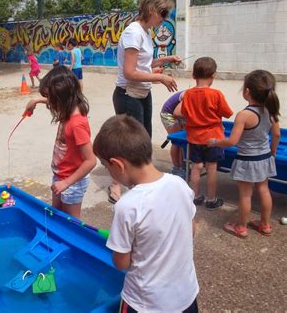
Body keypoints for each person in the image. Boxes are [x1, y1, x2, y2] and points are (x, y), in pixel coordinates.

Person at [93, 115, 199, 312]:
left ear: (117, 164)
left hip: (146, 304)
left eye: (107, 167)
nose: (109, 172)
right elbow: (191, 229)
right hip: (186, 296)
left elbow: (121, 262)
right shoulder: (179, 184)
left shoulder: (127, 206)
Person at [109, 0, 181, 203]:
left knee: (143, 139)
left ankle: (139, 180)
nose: (165, 18)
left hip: (141, 92)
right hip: (127, 94)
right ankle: (117, 182)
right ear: (152, 9)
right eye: (164, 13)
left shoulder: (145, 32)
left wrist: (167, 60)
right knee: (129, 141)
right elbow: (129, 72)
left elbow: (144, 64)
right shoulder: (134, 32)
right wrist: (161, 79)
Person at [207, 70, 280, 238]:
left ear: (247, 92)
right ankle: (265, 225)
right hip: (265, 157)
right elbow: (276, 135)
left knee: (245, 194)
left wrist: (215, 142)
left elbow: (232, 141)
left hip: (247, 160)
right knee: (264, 190)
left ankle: (241, 227)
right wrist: (272, 152)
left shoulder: (244, 115)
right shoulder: (271, 111)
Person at [24, 66, 96, 218]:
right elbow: (58, 100)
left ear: (61, 99)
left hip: (72, 181)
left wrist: (66, 183)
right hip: (61, 175)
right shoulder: (68, 108)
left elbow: (91, 161)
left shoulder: (76, 124)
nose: (49, 103)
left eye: (51, 98)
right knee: (55, 215)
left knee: (70, 224)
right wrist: (36, 100)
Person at [182, 57, 233, 210]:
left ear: (193, 76)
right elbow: (228, 113)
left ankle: (196, 197)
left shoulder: (188, 94)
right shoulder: (216, 94)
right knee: (211, 168)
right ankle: (211, 200)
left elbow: (184, 113)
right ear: (213, 76)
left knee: (196, 167)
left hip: (194, 138)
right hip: (213, 138)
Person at [160, 90, 186, 177]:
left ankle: (182, 165)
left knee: (183, 142)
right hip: (169, 114)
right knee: (177, 141)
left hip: (180, 115)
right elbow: (176, 113)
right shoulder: (189, 96)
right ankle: (177, 168)